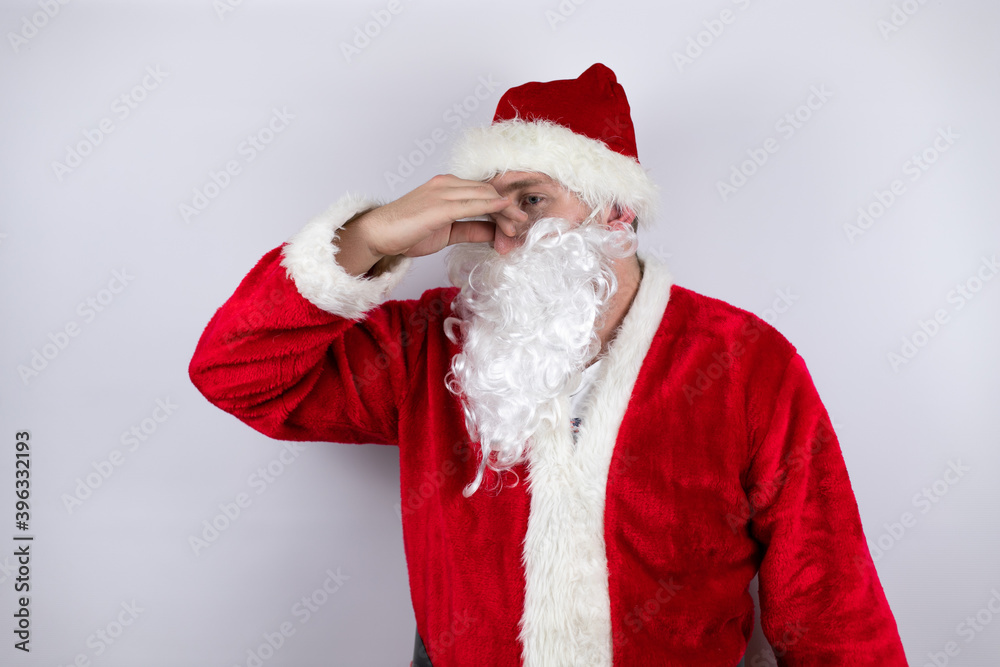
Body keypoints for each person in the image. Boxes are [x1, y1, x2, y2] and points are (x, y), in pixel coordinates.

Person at [189, 64, 908, 666]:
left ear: (617, 211)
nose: (506, 238)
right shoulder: (432, 344)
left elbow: (830, 603)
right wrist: (372, 235)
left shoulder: (745, 361)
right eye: (489, 209)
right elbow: (237, 370)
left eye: (531, 201)